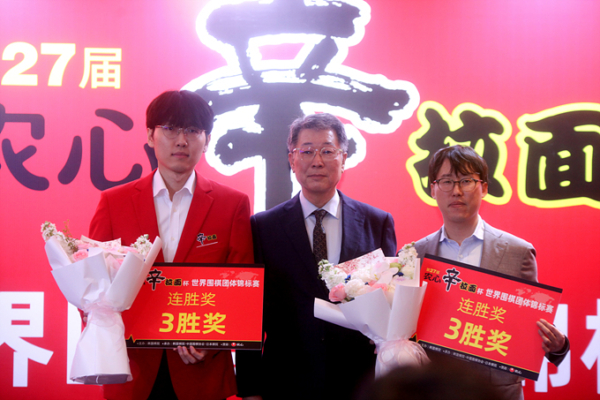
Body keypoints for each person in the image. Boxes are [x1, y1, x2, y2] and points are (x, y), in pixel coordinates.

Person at [89, 90, 253, 400]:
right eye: (170, 129)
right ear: (150, 135)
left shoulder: (232, 205)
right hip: (132, 369)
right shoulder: (114, 203)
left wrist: (212, 342)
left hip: (200, 373)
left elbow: (241, 286)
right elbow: (92, 282)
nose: (181, 141)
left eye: (192, 130)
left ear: (207, 139)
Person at [235, 113, 397, 400]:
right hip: (286, 381)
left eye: (327, 151)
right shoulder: (263, 227)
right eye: (307, 151)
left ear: (343, 158)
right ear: (292, 159)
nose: (317, 161)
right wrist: (250, 390)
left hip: (359, 382)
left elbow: (391, 304)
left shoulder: (377, 222)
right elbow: (251, 313)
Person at [413, 145, 569, 400]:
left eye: (466, 181)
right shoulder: (414, 255)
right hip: (432, 390)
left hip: (496, 393)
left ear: (484, 187)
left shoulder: (518, 252)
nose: (456, 191)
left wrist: (557, 345)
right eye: (447, 181)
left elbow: (529, 324)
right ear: (433, 189)